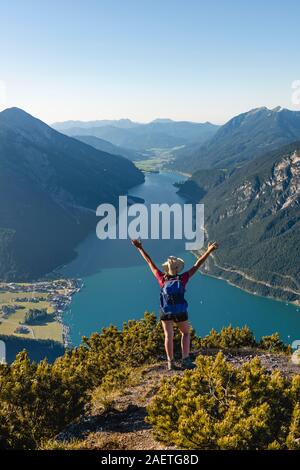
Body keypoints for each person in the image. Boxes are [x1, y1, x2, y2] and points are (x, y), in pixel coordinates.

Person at [131, 239, 219, 370]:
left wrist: (139, 248)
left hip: (166, 312)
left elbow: (149, 261)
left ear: (166, 268)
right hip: (180, 311)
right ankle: (185, 360)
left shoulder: (161, 278)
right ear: (177, 269)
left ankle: (170, 363)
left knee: (168, 336)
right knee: (185, 333)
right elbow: (197, 264)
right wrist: (209, 250)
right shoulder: (182, 278)